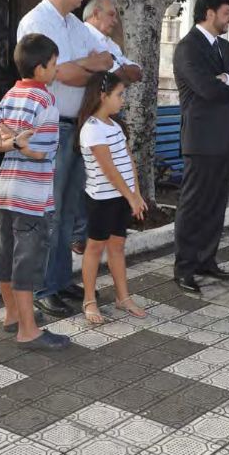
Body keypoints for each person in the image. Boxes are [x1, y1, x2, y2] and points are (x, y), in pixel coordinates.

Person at [16, 0, 114, 318]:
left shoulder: (74, 25)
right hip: (49, 127)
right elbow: (58, 75)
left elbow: (102, 62)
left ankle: (59, 279)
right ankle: (43, 287)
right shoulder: (36, 22)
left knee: (70, 211)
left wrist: (82, 66)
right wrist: (85, 67)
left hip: (77, 125)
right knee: (50, 211)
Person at [0, 33, 71, 349]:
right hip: (32, 196)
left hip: (6, 191)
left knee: (6, 255)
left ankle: (12, 315)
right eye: (54, 64)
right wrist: (24, 145)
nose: (56, 69)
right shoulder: (46, 101)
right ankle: (28, 331)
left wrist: (13, 140)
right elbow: (43, 151)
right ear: (40, 69)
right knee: (26, 261)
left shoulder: (9, 95)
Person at [172, 0, 229, 294]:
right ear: (209, 13)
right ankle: (184, 267)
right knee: (193, 205)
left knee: (217, 204)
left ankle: (206, 260)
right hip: (200, 140)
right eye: (226, 12)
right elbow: (206, 89)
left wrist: (228, 79)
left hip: (226, 138)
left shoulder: (225, 47)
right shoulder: (188, 49)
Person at [71, 0, 144, 256]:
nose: (115, 20)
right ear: (94, 14)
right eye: (111, 14)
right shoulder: (84, 36)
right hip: (90, 114)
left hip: (107, 115)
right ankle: (81, 233)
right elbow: (105, 74)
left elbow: (134, 71)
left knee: (115, 164)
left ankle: (100, 226)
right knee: (88, 174)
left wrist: (115, 68)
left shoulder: (110, 44)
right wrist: (116, 70)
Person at [77, 70, 147, 324]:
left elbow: (128, 162)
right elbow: (109, 170)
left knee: (117, 246)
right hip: (102, 200)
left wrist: (136, 194)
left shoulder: (114, 126)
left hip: (121, 198)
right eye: (119, 95)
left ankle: (123, 297)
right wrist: (130, 197)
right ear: (102, 96)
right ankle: (89, 300)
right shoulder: (92, 129)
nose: (122, 100)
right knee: (94, 248)